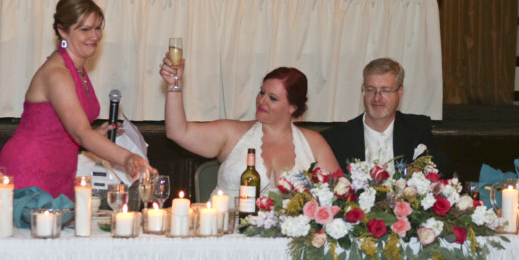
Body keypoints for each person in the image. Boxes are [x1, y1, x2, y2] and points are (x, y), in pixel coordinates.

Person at [0, 0, 153, 199]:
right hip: (29, 171)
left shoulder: (77, 68)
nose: (94, 36)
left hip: (58, 171)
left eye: (97, 28)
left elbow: (62, 130)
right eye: (85, 29)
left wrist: (95, 134)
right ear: (62, 31)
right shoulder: (57, 73)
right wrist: (128, 157)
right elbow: (80, 133)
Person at [160, 58, 340, 199]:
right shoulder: (231, 133)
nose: (262, 101)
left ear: (292, 107)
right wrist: (173, 84)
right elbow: (177, 132)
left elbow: (338, 194)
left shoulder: (314, 143)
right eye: (262, 92)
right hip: (230, 235)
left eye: (273, 98)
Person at [321, 58, 451, 175]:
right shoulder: (336, 138)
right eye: (371, 90)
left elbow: (441, 165)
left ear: (399, 92)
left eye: (385, 90)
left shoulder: (417, 129)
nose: (377, 98)